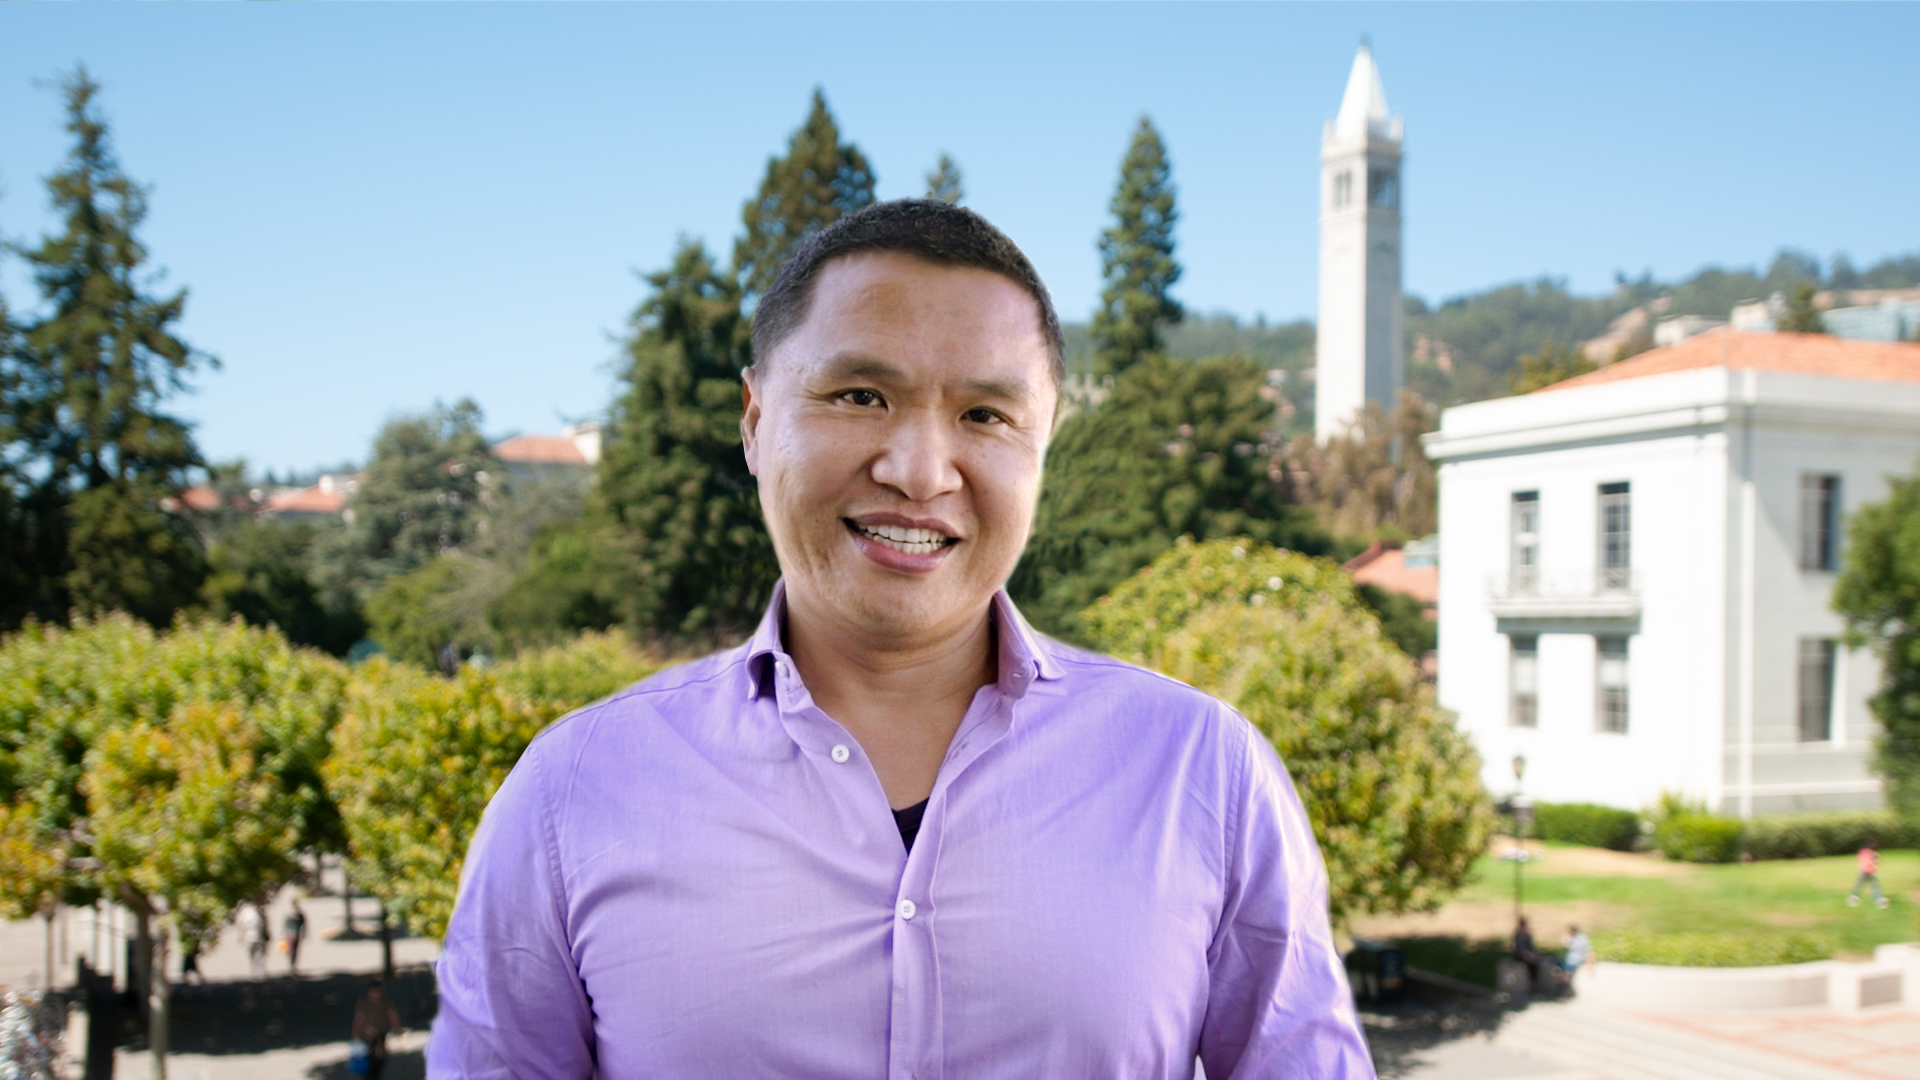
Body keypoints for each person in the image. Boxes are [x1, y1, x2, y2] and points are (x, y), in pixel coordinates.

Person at [427, 200, 1372, 1077]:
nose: (921, 472)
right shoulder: (570, 794)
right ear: (756, 423)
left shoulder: (1204, 774)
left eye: (985, 415)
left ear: (1042, 447)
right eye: (861, 396)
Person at [353, 978, 403, 1078]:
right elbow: (359, 1019)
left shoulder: (385, 1003)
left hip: (380, 1036)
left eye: (378, 991)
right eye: (373, 991)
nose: (376, 993)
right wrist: (356, 1034)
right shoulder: (364, 1004)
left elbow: (392, 1016)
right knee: (367, 1063)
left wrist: (396, 1029)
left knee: (379, 1061)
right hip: (366, 1037)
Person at [1849, 836, 1889, 909]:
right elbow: (1875, 862)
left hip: (1863, 871)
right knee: (1875, 887)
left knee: (1859, 886)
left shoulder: (1862, 851)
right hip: (1870, 871)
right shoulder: (1872, 853)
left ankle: (1853, 898)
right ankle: (1879, 900)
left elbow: (1862, 861)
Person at [238, 902, 268, 980]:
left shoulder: (259, 913)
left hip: (258, 937)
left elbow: (264, 926)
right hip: (250, 937)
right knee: (251, 955)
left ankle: (258, 971)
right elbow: (241, 927)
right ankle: (252, 971)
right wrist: (241, 937)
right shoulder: (246, 914)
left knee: (258, 955)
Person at [1513, 915, 1541, 986]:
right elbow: (1520, 948)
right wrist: (1527, 955)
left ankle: (1534, 981)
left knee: (1535, 962)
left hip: (1528, 955)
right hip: (1520, 955)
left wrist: (1534, 953)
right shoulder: (1518, 936)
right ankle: (1530, 981)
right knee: (1528, 962)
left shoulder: (1528, 936)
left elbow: (1531, 946)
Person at [282, 898, 307, 974]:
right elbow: (285, 925)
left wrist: (304, 933)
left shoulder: (300, 914)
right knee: (290, 949)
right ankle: (291, 964)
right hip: (290, 934)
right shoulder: (289, 913)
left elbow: (304, 924)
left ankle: (293, 964)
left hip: (297, 933)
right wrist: (284, 933)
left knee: (295, 949)